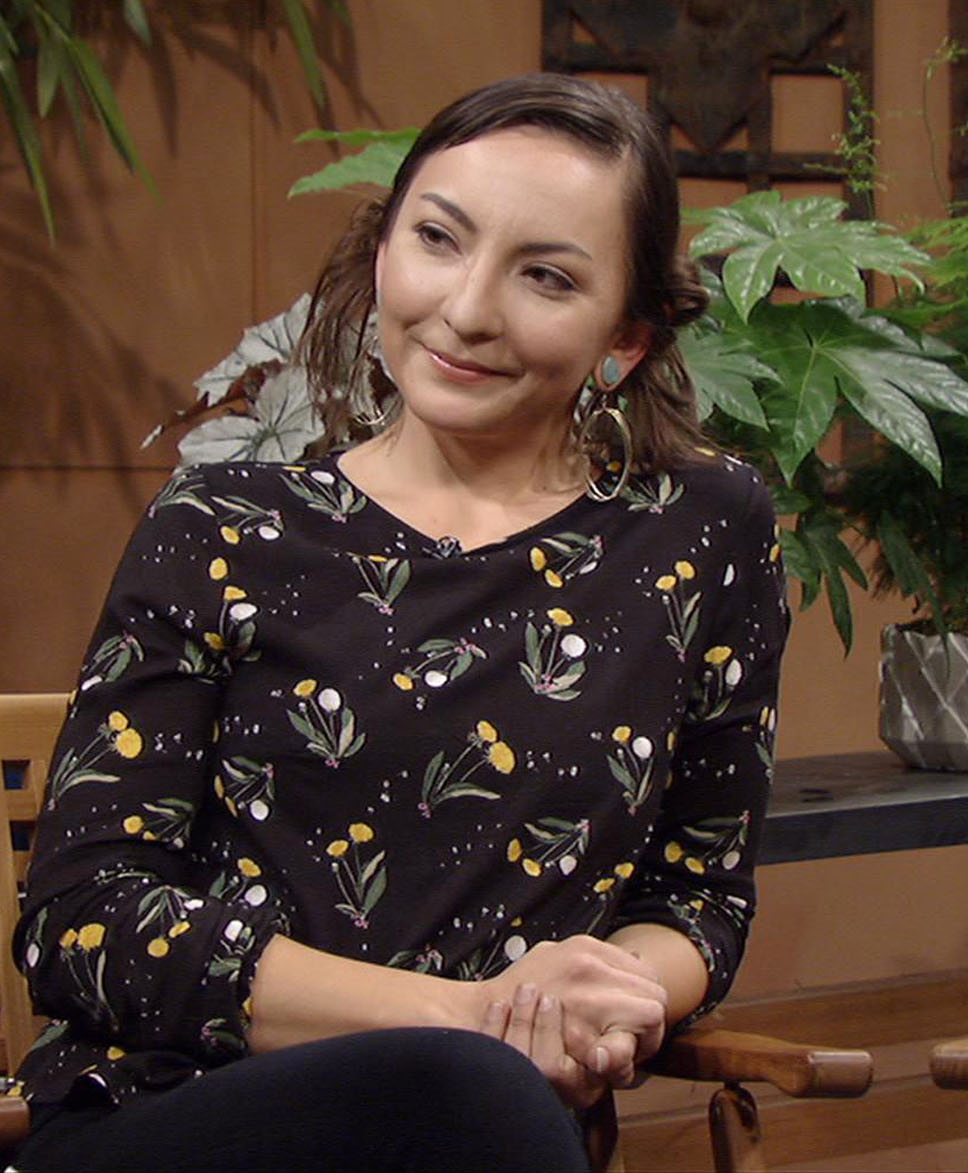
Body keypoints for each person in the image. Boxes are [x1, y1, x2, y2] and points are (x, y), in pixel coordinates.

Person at [9, 73, 788, 1172]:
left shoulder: (702, 533)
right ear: (383, 254)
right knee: (468, 1093)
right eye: (438, 238)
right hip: (180, 1115)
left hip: (485, 1127)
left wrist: (592, 1002)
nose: (467, 308)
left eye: (546, 276)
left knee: (474, 1105)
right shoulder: (225, 528)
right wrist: (470, 1020)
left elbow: (696, 895)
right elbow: (84, 925)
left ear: (626, 338)